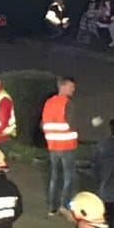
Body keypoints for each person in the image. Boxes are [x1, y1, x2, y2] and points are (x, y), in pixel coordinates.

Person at [40, 77, 79, 215]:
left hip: (53, 145)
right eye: (71, 86)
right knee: (69, 177)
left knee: (55, 176)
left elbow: (43, 124)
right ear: (62, 86)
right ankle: (65, 205)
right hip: (67, 145)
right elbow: (72, 124)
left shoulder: (49, 103)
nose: (73, 89)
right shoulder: (67, 103)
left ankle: (52, 207)